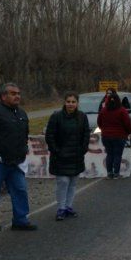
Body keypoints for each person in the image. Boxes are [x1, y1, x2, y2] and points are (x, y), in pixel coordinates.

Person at [0, 83, 37, 232]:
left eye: (18, 93)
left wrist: (23, 150)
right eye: (13, 93)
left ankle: (20, 220)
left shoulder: (22, 113)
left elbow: (24, 135)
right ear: (3, 96)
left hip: (16, 162)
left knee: (20, 190)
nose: (17, 96)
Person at [45, 93, 90, 221]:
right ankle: (61, 208)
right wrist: (56, 150)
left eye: (73, 101)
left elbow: (86, 134)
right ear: (64, 102)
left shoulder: (82, 117)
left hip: (76, 156)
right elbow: (50, 135)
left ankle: (69, 207)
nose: (70, 104)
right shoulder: (56, 116)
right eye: (68, 101)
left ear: (77, 103)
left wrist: (83, 148)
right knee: (63, 182)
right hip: (60, 157)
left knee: (73, 183)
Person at [97, 90, 131, 179]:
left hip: (106, 136)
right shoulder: (122, 111)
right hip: (119, 136)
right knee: (117, 155)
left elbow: (99, 122)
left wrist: (104, 130)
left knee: (109, 154)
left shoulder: (103, 110)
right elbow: (127, 123)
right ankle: (116, 173)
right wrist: (128, 132)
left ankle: (109, 173)